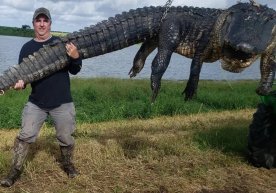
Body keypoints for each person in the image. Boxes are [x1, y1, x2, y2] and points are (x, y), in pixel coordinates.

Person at [1, 7, 82, 187]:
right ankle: (13, 172)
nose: (42, 24)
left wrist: (76, 57)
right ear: (34, 24)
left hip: (62, 101)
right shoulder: (27, 48)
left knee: (66, 137)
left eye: (45, 20)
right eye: (39, 20)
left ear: (50, 23)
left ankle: (68, 165)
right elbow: (23, 77)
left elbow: (75, 70)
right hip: (37, 102)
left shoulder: (62, 43)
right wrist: (19, 85)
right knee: (25, 136)